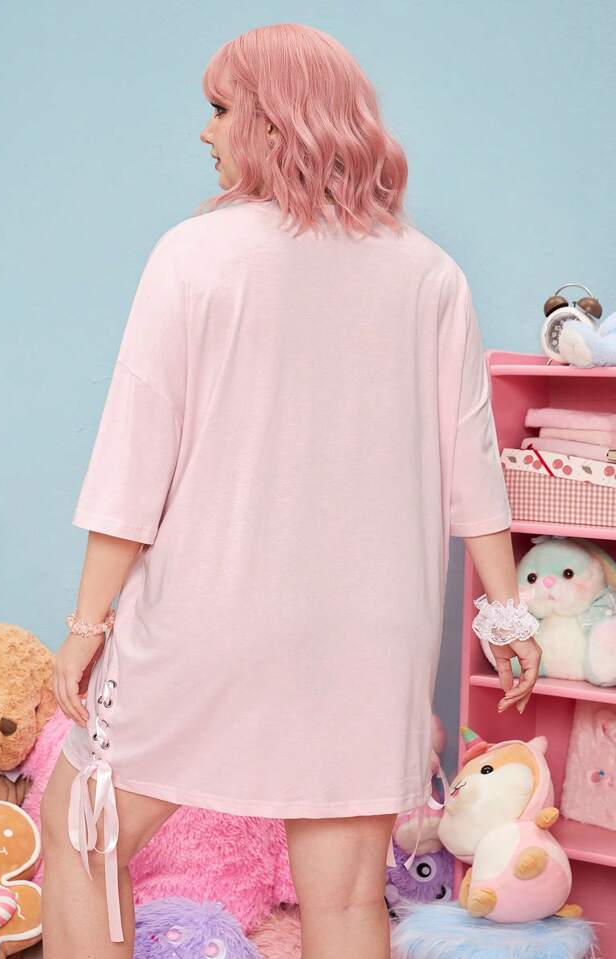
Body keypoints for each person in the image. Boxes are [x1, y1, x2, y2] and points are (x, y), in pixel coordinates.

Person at [39, 23, 542, 959]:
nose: (205, 131)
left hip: (211, 613)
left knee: (83, 829)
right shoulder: (431, 273)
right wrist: (506, 615)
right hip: (369, 634)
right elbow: (473, 460)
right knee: (345, 900)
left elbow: (134, 457)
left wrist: (86, 624)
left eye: (220, 108)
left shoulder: (194, 255)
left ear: (274, 124)